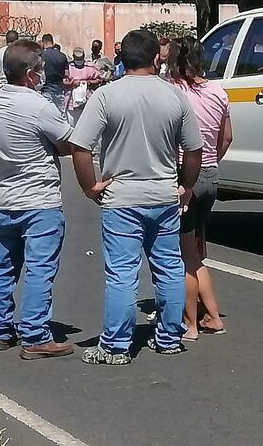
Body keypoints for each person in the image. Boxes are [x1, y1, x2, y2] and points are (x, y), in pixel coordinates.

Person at [71, 29, 204, 366]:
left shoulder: (107, 96)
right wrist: (186, 186)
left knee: (122, 274)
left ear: (121, 58)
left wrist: (89, 186)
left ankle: (116, 346)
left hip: (121, 198)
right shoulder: (174, 96)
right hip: (163, 196)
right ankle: (169, 338)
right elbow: (193, 149)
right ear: (156, 58)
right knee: (169, 268)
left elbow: (80, 147)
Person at [0, 40, 76, 360]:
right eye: (39, 69)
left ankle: (0, 329)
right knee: (40, 269)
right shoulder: (39, 106)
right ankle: (35, 335)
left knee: (3, 266)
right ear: (29, 74)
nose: (42, 75)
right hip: (39, 201)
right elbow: (68, 143)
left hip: (6, 198)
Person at [166, 37, 232, 340]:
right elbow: (227, 137)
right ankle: (213, 317)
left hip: (184, 176)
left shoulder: (173, 91)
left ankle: (190, 324)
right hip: (210, 175)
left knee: (185, 257)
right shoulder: (218, 92)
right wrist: (210, 160)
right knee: (195, 253)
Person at [64, 47, 101, 128]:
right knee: (72, 125)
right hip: (71, 101)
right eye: (77, 59)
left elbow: (98, 80)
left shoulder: (91, 66)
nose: (79, 61)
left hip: (87, 100)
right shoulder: (68, 67)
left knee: (86, 124)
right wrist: (71, 83)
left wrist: (88, 83)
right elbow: (63, 81)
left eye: (80, 59)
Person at [39, 33, 70, 115]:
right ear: (53, 42)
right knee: (60, 114)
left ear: (43, 43)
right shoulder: (62, 55)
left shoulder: (42, 56)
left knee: (47, 114)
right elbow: (67, 74)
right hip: (59, 90)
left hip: (46, 89)